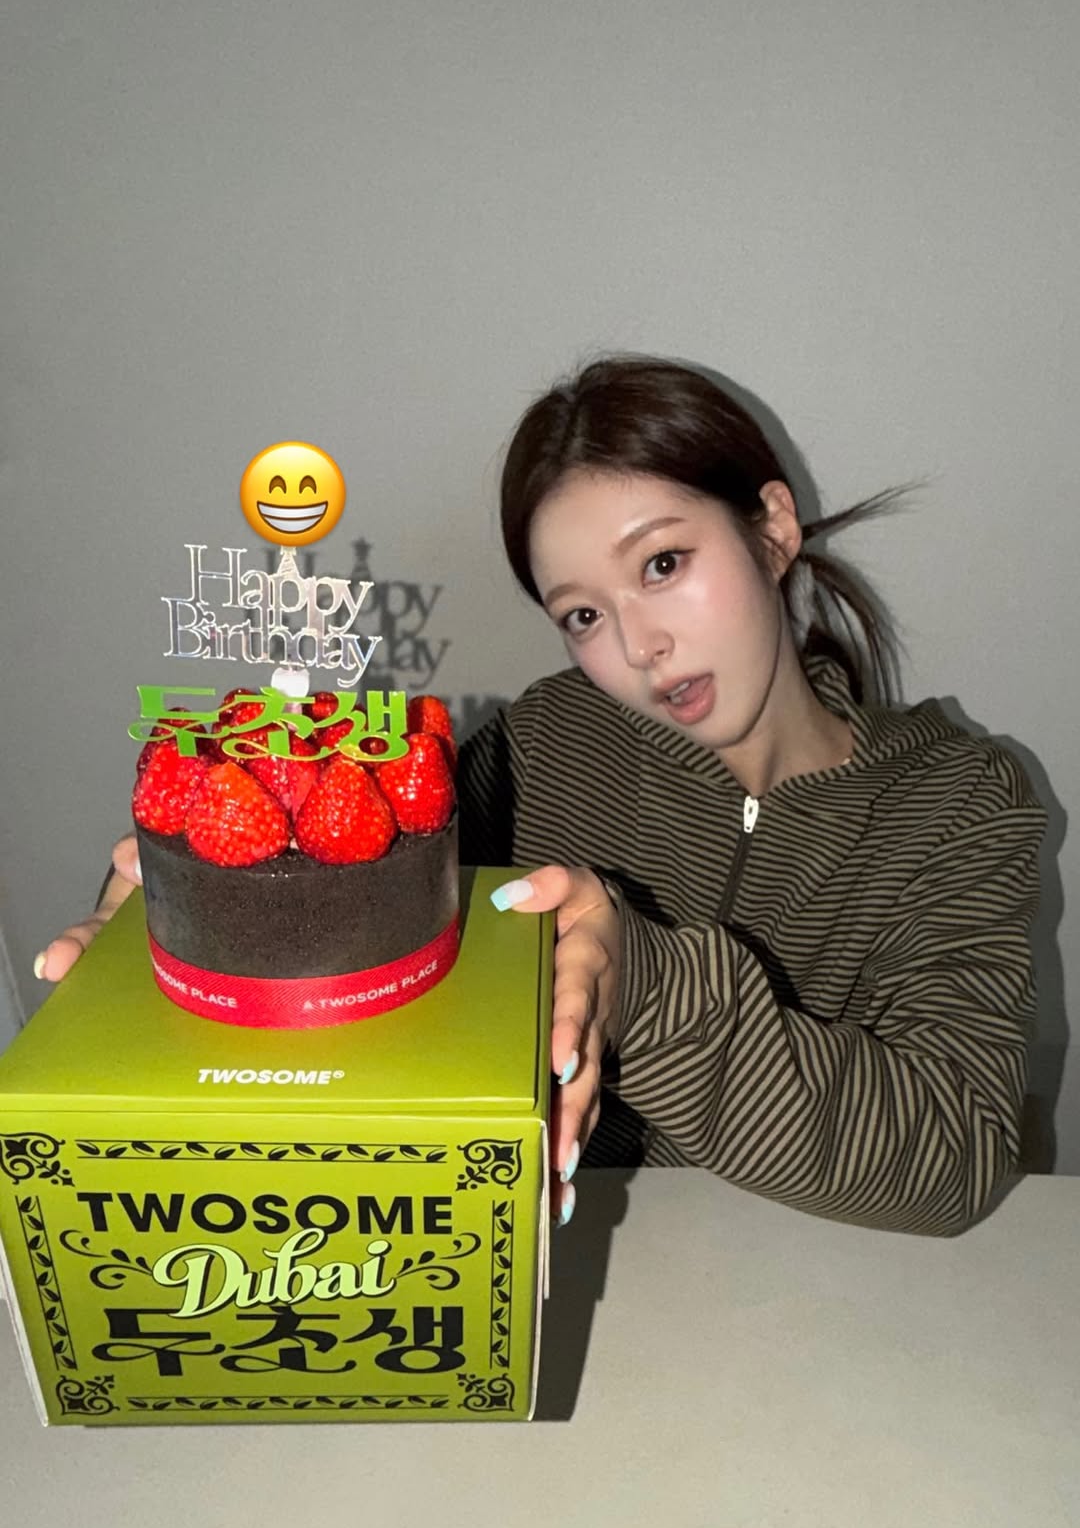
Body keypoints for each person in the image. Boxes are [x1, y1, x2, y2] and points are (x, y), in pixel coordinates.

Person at [35, 357, 1046, 1239]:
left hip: (817, 1294)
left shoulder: (960, 801)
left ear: (772, 529)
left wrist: (645, 985)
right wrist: (201, 918)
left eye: (663, 564)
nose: (640, 645)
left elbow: (956, 1156)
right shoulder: (542, 747)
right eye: (583, 615)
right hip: (554, 1270)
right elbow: (352, 921)